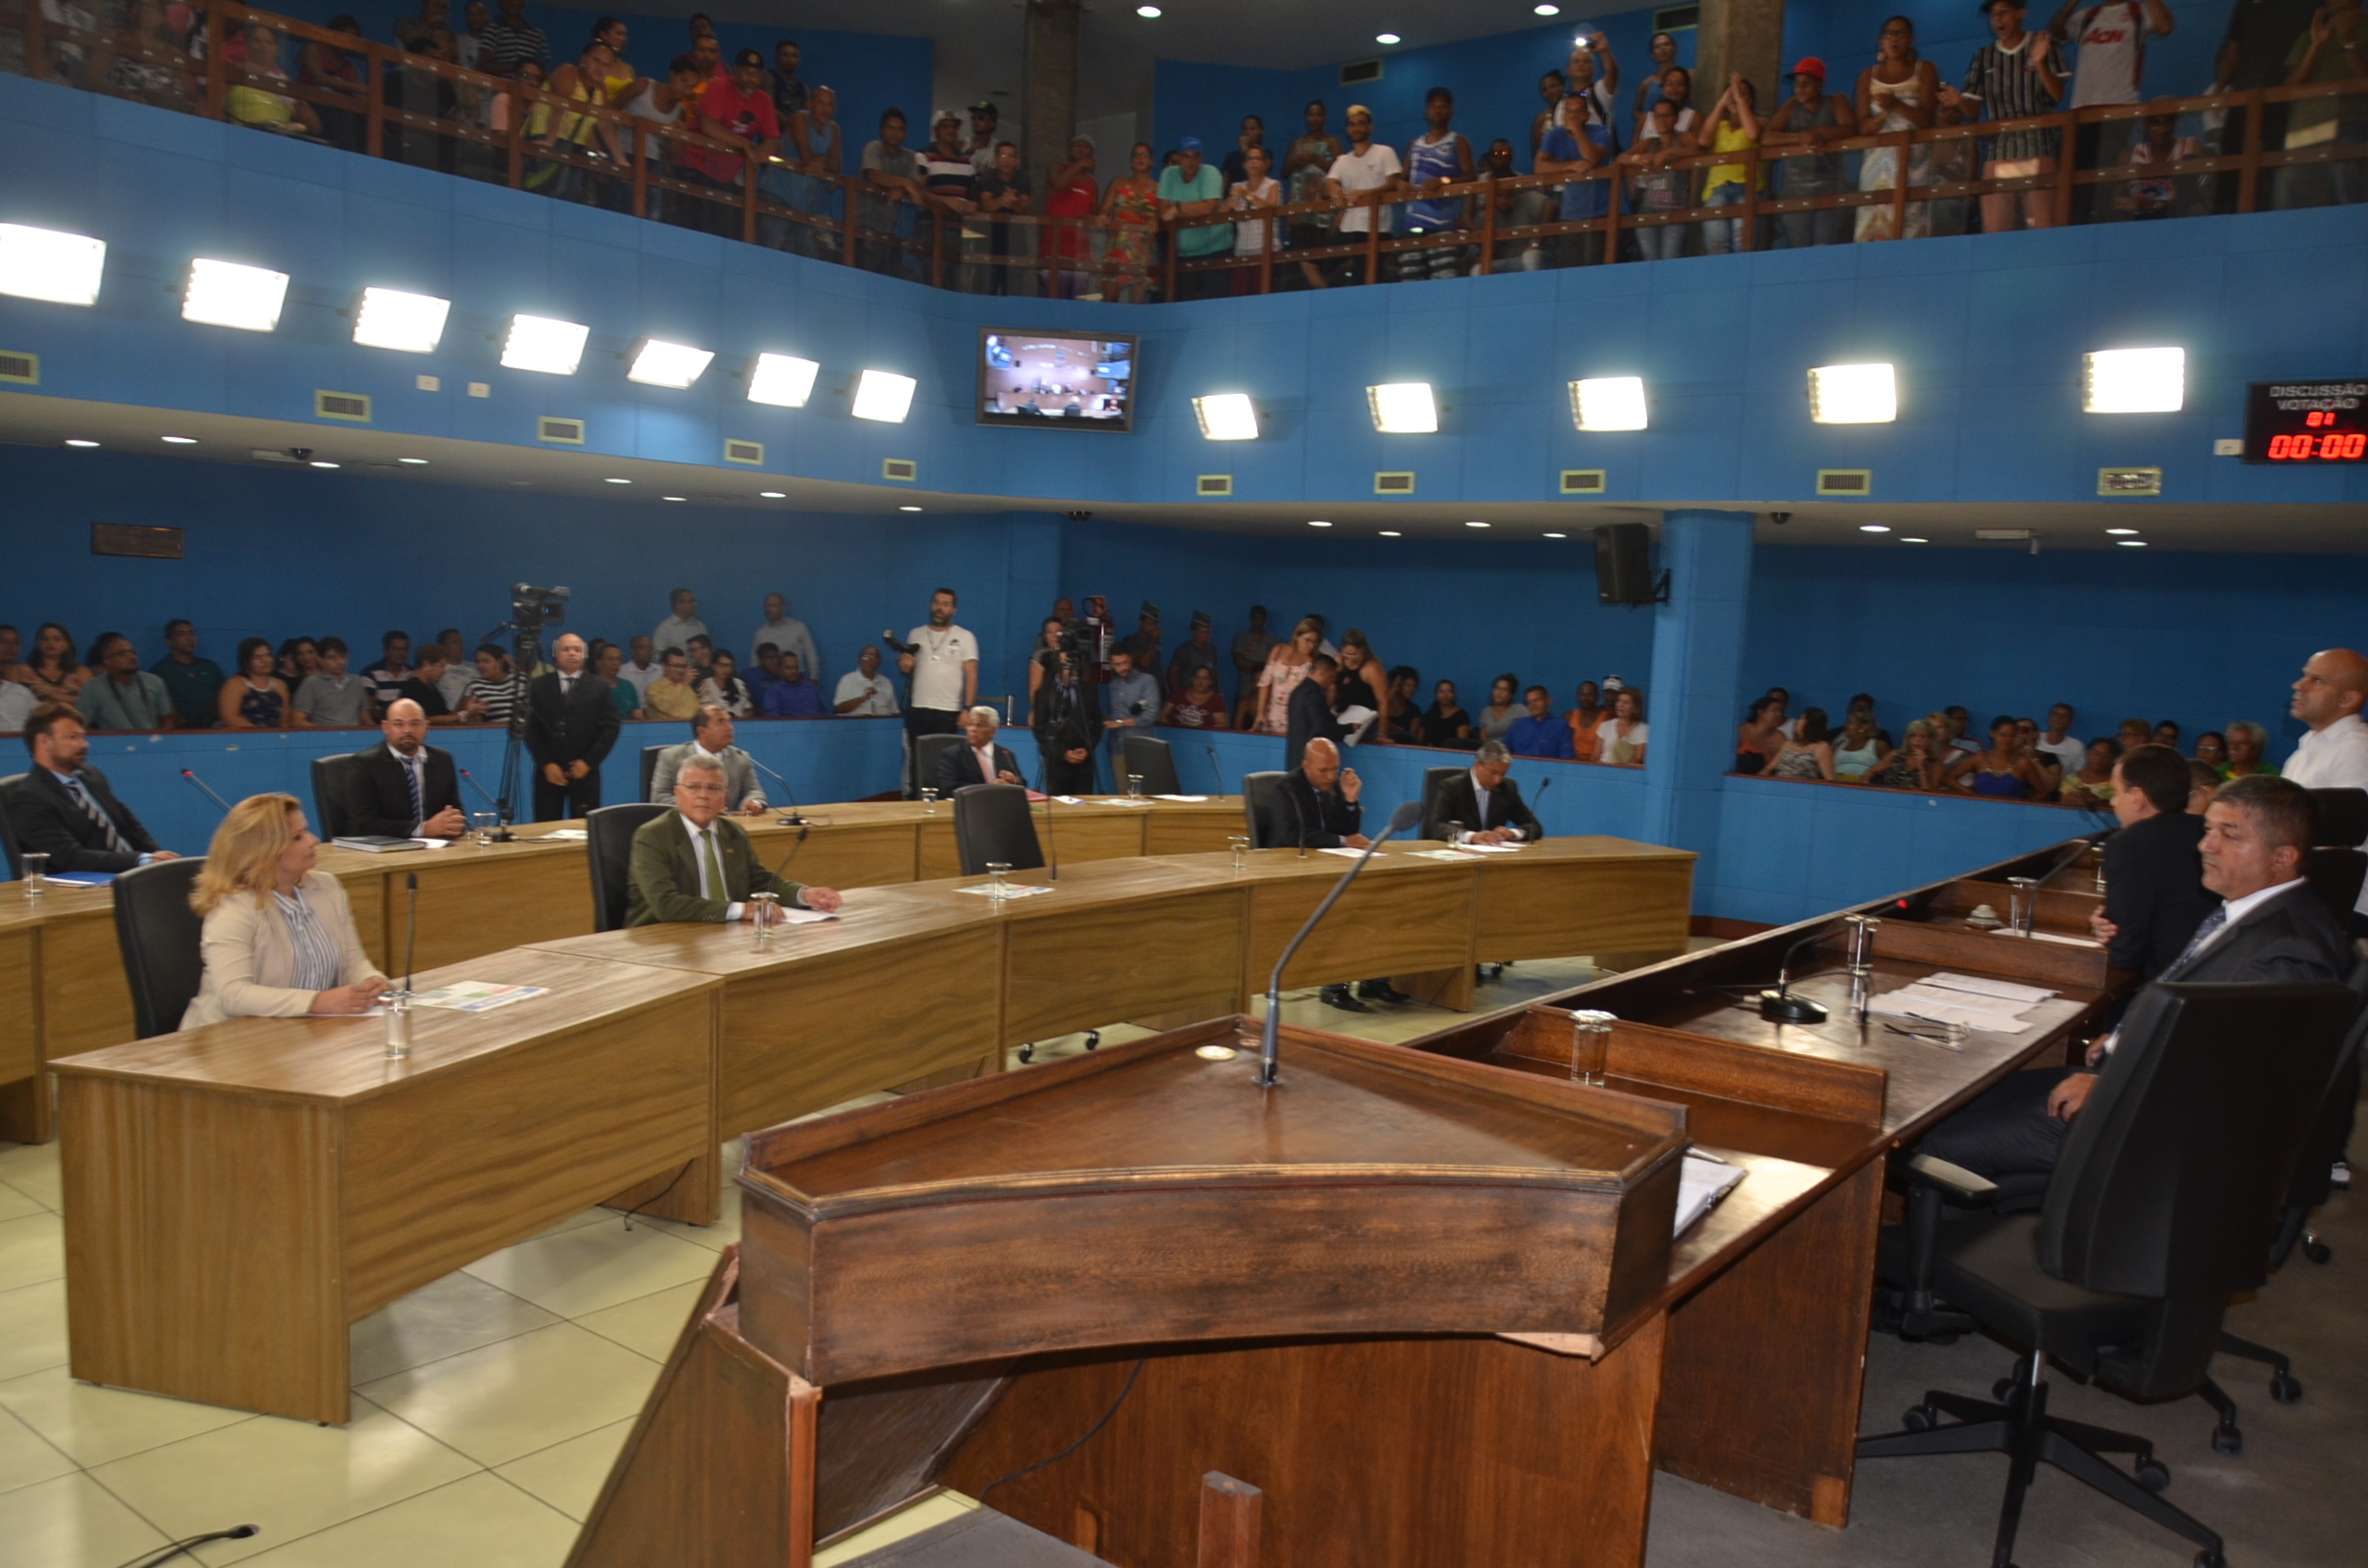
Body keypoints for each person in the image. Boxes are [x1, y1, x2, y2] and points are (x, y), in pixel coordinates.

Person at [1922, 775, 2348, 1182]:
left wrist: (2111, 1086)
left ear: (2283, 857)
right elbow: (2204, 1016)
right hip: (2133, 1077)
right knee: (1957, 1102)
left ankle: (1920, 1245)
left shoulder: (2289, 949)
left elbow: (2237, 1082)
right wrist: (2130, 1034)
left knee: (1941, 1143)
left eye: (2229, 835)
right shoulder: (2251, 914)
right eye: (2208, 829)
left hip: (2151, 1122)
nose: (2205, 845)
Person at [180, 794, 384, 1027]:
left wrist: (371, 982)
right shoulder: (232, 907)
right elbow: (234, 995)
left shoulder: (326, 887)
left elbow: (352, 961)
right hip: (229, 1038)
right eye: (297, 837)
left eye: (306, 831)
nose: (313, 840)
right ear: (264, 849)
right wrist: (316, 1002)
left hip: (301, 1031)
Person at [625, 754, 842, 926]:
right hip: (663, 938)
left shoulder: (732, 832)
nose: (703, 795)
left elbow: (760, 881)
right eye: (694, 787)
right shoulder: (652, 836)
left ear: (724, 797)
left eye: (713, 788)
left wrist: (803, 894)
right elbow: (666, 904)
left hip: (726, 933)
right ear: (677, 793)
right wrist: (741, 910)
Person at [2083, 744, 2217, 978]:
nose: (2113, 802)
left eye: (2116, 792)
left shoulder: (2127, 845)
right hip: (2216, 969)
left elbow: (2126, 951)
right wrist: (2109, 921)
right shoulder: (2209, 834)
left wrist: (2110, 933)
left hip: (2166, 981)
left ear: (2137, 797)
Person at [11, 705, 178, 870]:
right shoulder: (29, 797)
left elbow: (127, 823)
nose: (84, 745)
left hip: (130, 871)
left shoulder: (90, 775)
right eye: (73, 737)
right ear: (44, 742)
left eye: (83, 737)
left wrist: (157, 854)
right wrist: (140, 860)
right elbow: (70, 857)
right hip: (83, 886)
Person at [2282, 647, 2368, 935]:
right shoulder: (2307, 750)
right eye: (2304, 676)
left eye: (2317, 680)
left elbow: (2346, 842)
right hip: (2313, 900)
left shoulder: (2356, 749)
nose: (2298, 685)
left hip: (2346, 907)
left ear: (2349, 698)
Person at [2048, 0, 2175, 193]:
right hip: (2081, 114)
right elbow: (2053, 34)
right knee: (2073, 184)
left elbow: (2165, 27)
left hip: (2119, 112)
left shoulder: (2137, 11)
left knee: (2108, 184)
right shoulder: (2087, 15)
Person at [1964, 0, 2065, 233]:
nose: (1998, 19)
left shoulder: (2043, 43)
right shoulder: (1984, 56)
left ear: (2021, 13)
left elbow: (2057, 93)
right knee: (1996, 229)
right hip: (1999, 150)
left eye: (2004, 12)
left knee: (2041, 226)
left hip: (2039, 145)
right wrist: (1956, 100)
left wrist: (2039, 62)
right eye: (1994, 15)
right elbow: (1972, 110)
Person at [2271, 0, 2366, 211]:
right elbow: (2288, 89)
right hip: (2306, 129)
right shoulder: (2310, 36)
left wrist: (2348, 43)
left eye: (2345, 10)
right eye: (2333, 12)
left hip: (2351, 124)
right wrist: (2316, 46)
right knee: (2286, 180)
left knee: (2344, 172)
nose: (2338, 17)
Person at [1855, 15, 1942, 241]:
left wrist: (1896, 105)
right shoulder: (1867, 76)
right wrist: (1878, 119)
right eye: (1889, 34)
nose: (1894, 39)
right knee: (1875, 230)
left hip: (1914, 162)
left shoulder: (1925, 69)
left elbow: (1926, 119)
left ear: (1910, 40)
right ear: (1881, 41)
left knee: (1910, 228)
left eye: (1901, 34)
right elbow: (1861, 125)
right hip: (1877, 164)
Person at [1763, 58, 1857, 248]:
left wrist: (1816, 133)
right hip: (1795, 191)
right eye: (1797, 83)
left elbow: (1850, 129)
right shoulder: (1791, 105)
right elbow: (1766, 139)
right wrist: (1800, 137)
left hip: (1830, 188)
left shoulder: (1836, 101)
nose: (1800, 88)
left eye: (1807, 83)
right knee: (1798, 249)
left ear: (1820, 84)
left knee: (1823, 247)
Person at [894, 588, 978, 796]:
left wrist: (967, 709)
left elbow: (972, 675)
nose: (940, 607)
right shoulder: (916, 633)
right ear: (931, 605)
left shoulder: (965, 636)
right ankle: (915, 805)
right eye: (937, 602)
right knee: (916, 760)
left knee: (944, 762)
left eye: (946, 604)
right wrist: (905, 667)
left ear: (954, 610)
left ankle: (940, 805)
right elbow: (908, 670)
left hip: (948, 710)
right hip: (919, 708)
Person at [525, 633, 619, 821]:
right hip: (549, 772)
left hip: (585, 771)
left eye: (577, 650)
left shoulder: (599, 686)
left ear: (584, 655)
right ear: (556, 655)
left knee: (586, 830)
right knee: (546, 828)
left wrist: (589, 762)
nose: (572, 654)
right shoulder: (539, 685)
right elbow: (530, 729)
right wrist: (546, 763)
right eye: (566, 649)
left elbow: (611, 726)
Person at [343, 698, 467, 839]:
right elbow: (363, 824)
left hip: (435, 847)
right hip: (384, 851)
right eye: (398, 724)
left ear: (426, 726)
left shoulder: (442, 759)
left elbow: (456, 810)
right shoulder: (365, 764)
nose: (407, 730)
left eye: (415, 724)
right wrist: (422, 829)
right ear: (385, 727)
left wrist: (454, 822)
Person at [1397, 87, 1473, 282]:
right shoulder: (1414, 144)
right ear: (1426, 111)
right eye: (1433, 106)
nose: (1438, 110)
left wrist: (1443, 181)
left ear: (1451, 111)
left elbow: (1471, 176)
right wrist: (1400, 184)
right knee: (1410, 280)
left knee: (1443, 280)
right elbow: (1401, 177)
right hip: (1412, 224)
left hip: (1442, 224)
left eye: (1443, 106)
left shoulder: (1457, 141)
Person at [1326, 105, 1404, 284]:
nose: (1357, 128)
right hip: (1348, 228)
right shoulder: (1343, 160)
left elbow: (1393, 183)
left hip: (1376, 228)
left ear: (1370, 127)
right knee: (1325, 267)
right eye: (1352, 124)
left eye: (1361, 124)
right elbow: (1329, 182)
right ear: (1347, 129)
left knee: (1369, 277)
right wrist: (1334, 188)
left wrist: (1365, 194)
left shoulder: (1384, 152)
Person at [652, 703, 768, 814]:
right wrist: (699, 806)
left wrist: (754, 802)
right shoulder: (671, 757)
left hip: (725, 826)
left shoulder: (740, 758)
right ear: (702, 731)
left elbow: (754, 791)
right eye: (721, 722)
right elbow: (659, 797)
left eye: (729, 722)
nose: (730, 728)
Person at [1693, 72, 1763, 255]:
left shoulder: (1760, 121)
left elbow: (1753, 134)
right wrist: (1721, 103)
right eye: (1731, 93)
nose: (1736, 96)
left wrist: (1739, 100)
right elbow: (1703, 141)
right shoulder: (1720, 125)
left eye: (1743, 93)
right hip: (1716, 190)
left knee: (1743, 248)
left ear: (1751, 99)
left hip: (1746, 189)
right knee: (1718, 250)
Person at [1157, 135, 1229, 299]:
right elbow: (1164, 212)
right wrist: (1192, 209)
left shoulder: (1211, 172)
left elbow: (1208, 208)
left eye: (1195, 156)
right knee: (1183, 304)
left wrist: (1178, 207)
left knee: (1214, 306)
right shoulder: (1168, 174)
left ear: (1201, 158)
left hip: (1215, 249)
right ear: (1178, 157)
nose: (1191, 161)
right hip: (1182, 253)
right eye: (1186, 156)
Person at [1433, 740, 1544, 845]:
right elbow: (1436, 827)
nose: (1498, 780)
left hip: (1493, 856)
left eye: (1502, 774)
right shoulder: (1452, 787)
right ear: (1478, 764)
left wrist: (1512, 833)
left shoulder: (1508, 787)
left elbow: (1534, 826)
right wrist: (1472, 836)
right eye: (1493, 773)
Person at [1282, 101, 1343, 287]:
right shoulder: (1298, 143)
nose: (1314, 119)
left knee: (1320, 254)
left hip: (1322, 210)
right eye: (1310, 114)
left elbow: (1341, 169)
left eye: (1318, 114)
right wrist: (1298, 162)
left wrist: (1315, 159)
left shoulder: (1332, 142)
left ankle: (1324, 287)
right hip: (1300, 209)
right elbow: (1284, 172)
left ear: (1324, 117)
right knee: (1300, 254)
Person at [1033, 648, 1100, 795]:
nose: (1071, 670)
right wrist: (1063, 753)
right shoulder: (1045, 694)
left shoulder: (1089, 692)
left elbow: (1097, 726)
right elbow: (1040, 730)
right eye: (1066, 665)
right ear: (1057, 667)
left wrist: (1087, 749)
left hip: (1084, 765)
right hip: (1057, 764)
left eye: (1075, 665)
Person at [77, 633, 175, 731]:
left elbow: (167, 719)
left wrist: (159, 740)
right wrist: (103, 740)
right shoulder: (93, 687)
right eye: (123, 654)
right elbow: (82, 724)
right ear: (108, 661)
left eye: (133, 652)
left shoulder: (154, 681)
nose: (132, 657)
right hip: (114, 743)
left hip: (152, 741)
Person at [1944, 714, 2049, 797]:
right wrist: (1970, 794)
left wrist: (2023, 809)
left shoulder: (2022, 762)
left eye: (2011, 735)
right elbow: (1947, 778)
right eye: (2002, 735)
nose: (2007, 740)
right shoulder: (1980, 758)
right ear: (1992, 733)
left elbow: (2042, 792)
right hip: (1981, 814)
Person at [149, 619, 225, 729]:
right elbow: (161, 706)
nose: (189, 638)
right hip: (186, 726)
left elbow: (226, 694)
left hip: (219, 721)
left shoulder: (209, 666)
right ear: (169, 641)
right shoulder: (160, 670)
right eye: (181, 634)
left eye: (192, 634)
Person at [1254, 618, 1322, 736]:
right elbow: (1265, 683)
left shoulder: (1315, 661)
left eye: (1315, 642)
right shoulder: (1278, 650)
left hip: (1298, 721)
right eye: (1308, 640)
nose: (1311, 646)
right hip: (1272, 717)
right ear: (1297, 636)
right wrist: (1260, 714)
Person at [940, 704, 1024, 792]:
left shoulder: (1006, 754)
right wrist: (988, 787)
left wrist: (1013, 781)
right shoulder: (953, 755)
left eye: (979, 725)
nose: (973, 729)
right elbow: (948, 787)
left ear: (993, 731)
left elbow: (1022, 784)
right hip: (970, 803)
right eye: (970, 724)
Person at [1103, 646, 1163, 761]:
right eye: (1117, 664)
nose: (1123, 667)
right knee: (1120, 779)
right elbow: (1114, 714)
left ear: (1130, 659)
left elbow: (1151, 715)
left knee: (1144, 779)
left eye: (1125, 662)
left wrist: (1120, 723)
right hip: (1117, 746)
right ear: (1110, 664)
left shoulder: (1147, 681)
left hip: (1141, 747)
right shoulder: (1112, 685)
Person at [747, 593, 821, 686]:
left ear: (783, 608)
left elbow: (811, 654)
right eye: (767, 606)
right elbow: (754, 662)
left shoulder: (798, 628)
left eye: (773, 606)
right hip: (770, 681)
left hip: (795, 679)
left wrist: (813, 677)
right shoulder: (760, 634)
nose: (769, 609)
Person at [1332, 630, 1392, 743]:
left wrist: (1382, 733)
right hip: (1343, 720)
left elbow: (1383, 702)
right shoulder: (1338, 662)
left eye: (1355, 655)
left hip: (1366, 724)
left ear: (1363, 650)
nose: (1350, 659)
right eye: (1347, 655)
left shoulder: (1372, 669)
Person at [218, 637, 289, 729]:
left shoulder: (281, 685)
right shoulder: (234, 684)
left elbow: (284, 721)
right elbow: (230, 718)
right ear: (245, 662)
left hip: (273, 738)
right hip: (242, 737)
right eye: (257, 657)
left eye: (268, 655)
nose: (264, 660)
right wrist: (259, 733)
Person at [1230, 605, 1278, 727]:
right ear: (1250, 618)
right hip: (1245, 684)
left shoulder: (1273, 640)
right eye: (1256, 617)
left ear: (1265, 619)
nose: (1258, 620)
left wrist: (1254, 667)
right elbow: (1239, 661)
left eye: (1261, 617)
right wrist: (1261, 666)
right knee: (1241, 716)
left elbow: (1275, 665)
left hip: (1267, 686)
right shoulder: (1241, 638)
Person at [18, 622, 87, 706]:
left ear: (67, 644)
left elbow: (92, 700)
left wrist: (53, 695)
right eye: (45, 639)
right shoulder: (21, 670)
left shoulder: (81, 672)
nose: (51, 643)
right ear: (38, 643)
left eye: (57, 639)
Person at [1866, 720, 1943, 790]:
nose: (1917, 740)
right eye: (1913, 736)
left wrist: (1921, 768)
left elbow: (1930, 795)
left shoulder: (1935, 765)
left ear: (1930, 740)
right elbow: (1871, 772)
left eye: (1922, 737)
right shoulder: (1895, 755)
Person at [463, 644, 528, 727]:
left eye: (486, 661)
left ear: (500, 663)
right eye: (478, 662)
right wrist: (471, 713)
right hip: (493, 733)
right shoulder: (475, 686)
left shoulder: (521, 680)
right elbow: (464, 717)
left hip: (525, 731)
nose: (480, 666)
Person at [1506, 685, 1576, 760]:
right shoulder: (1518, 725)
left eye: (1536, 700)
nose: (1533, 705)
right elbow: (1504, 752)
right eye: (1529, 702)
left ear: (1548, 701)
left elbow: (1567, 758)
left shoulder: (1560, 726)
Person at [396, 643, 461, 723]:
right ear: (426, 664)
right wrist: (457, 717)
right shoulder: (413, 687)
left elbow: (444, 712)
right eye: (441, 666)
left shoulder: (431, 686)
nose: (444, 671)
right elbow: (424, 718)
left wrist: (465, 713)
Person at [1767, 707, 1838, 779]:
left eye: (1802, 718)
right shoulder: (1788, 744)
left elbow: (1830, 779)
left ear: (1811, 724)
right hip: (1778, 785)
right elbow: (1769, 769)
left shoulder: (1821, 747)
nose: (1798, 722)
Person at [835, 645, 900, 716]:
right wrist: (864, 698)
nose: (869, 660)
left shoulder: (886, 682)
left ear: (879, 661)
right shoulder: (848, 680)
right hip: (856, 724)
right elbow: (839, 709)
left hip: (883, 724)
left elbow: (894, 711)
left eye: (873, 656)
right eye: (865, 656)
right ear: (859, 659)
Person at [2057, 736, 2122, 805]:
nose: (2098, 758)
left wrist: (2099, 803)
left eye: (2105, 755)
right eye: (2095, 753)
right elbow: (2062, 802)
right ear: (2088, 752)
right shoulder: (2071, 778)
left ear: (2113, 759)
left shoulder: (2117, 784)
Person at [759, 651, 827, 717]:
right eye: (789, 668)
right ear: (780, 669)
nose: (794, 671)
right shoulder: (773, 691)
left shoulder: (810, 687)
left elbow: (824, 713)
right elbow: (773, 718)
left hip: (817, 726)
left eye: (796, 668)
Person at [362, 629, 413, 715]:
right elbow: (369, 708)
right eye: (396, 649)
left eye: (404, 649)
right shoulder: (370, 674)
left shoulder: (412, 674)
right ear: (385, 650)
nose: (401, 653)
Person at [1734, 695, 1788, 773]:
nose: (1779, 714)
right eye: (1775, 711)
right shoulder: (1744, 730)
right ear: (1761, 712)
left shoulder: (1780, 738)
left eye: (1780, 711)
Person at [1164, 666, 1230, 729]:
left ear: (1210, 682)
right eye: (1198, 677)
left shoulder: (1217, 700)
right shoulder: (1178, 694)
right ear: (1192, 679)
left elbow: (1222, 724)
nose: (1201, 682)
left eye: (1205, 678)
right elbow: (1163, 715)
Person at [1834, 710, 1892, 781]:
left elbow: (1889, 769)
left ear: (1862, 727)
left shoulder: (1878, 745)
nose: (1845, 725)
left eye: (1850, 723)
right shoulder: (1840, 744)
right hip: (1836, 784)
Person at [1599, 686, 1650, 766]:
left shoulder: (1643, 730)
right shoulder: (1605, 726)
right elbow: (1595, 756)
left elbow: (1638, 758)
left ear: (1635, 708)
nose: (1620, 705)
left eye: (1626, 702)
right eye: (1619, 701)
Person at [1417, 680, 1473, 747]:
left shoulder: (1461, 715)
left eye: (1449, 691)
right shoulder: (1429, 716)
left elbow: (1461, 743)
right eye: (1442, 692)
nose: (1445, 695)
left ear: (1454, 694)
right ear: (1436, 695)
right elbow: (1419, 741)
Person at [654, 588, 708, 658]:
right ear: (679, 605)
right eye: (691, 602)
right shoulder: (664, 630)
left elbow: (707, 653)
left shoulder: (700, 626)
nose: (695, 605)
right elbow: (658, 657)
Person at [2034, 702, 2085, 774]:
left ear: (2071, 723)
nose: (2058, 718)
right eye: (2055, 714)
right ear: (2049, 718)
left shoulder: (2076, 746)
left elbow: (2078, 773)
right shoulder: (2035, 737)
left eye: (2064, 716)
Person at [1117, 602, 1164, 674]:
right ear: (1141, 622)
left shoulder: (1155, 642)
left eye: (1154, 624)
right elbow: (1144, 662)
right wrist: (1153, 641)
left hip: (1155, 684)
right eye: (1150, 624)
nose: (1153, 628)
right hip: (1140, 684)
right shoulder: (1131, 641)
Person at [1475, 675, 1522, 746]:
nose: (1499, 692)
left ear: (1511, 695)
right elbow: (1483, 738)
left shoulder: (1520, 709)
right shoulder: (1485, 712)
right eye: (1497, 688)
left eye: (1504, 689)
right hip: (1491, 752)